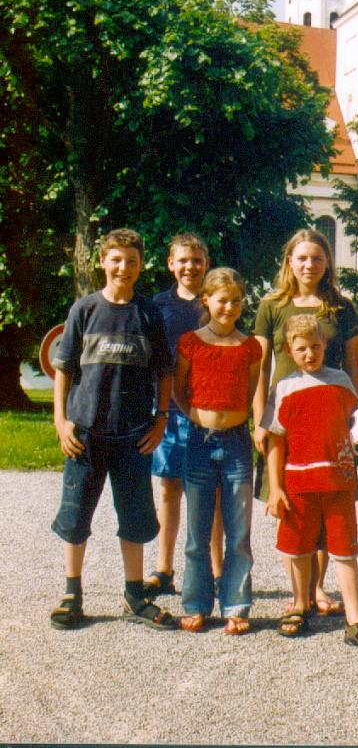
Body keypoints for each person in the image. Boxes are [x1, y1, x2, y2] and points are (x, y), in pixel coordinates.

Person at [50, 228, 178, 631]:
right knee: (75, 516)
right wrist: (61, 420)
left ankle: (134, 595)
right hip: (86, 434)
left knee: (136, 517)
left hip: (134, 435)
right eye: (116, 259)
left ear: (142, 266)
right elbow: (63, 370)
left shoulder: (148, 313)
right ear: (102, 262)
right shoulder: (84, 310)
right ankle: (72, 594)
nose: (124, 267)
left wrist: (160, 420)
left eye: (132, 261)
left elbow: (164, 372)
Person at [253, 227, 358, 616]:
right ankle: (298, 593)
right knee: (293, 506)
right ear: (289, 262)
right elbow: (260, 367)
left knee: (327, 495)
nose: (309, 265)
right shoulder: (271, 306)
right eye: (301, 258)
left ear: (327, 262)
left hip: (328, 422)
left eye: (316, 257)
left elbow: (352, 368)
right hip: (285, 418)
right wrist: (259, 420)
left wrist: (357, 422)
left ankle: (317, 588)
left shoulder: (341, 308)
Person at [264, 315, 358, 653]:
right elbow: (275, 440)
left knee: (345, 552)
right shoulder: (285, 388)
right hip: (298, 484)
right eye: (301, 348)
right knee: (299, 549)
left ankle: (355, 619)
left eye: (315, 346)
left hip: (338, 483)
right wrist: (275, 489)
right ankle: (300, 604)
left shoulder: (341, 382)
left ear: (325, 345)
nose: (309, 354)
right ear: (290, 350)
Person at [173, 267, 261, 634]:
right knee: (198, 532)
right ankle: (196, 603)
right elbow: (178, 389)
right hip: (199, 441)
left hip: (238, 442)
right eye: (222, 300)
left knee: (238, 533)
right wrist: (195, 415)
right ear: (206, 300)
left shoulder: (250, 346)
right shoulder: (190, 342)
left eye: (236, 301)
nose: (229, 307)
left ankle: (236, 604)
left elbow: (254, 389)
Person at [146, 233, 224, 599]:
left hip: (211, 410)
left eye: (197, 260)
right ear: (170, 264)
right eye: (183, 260)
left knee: (212, 492)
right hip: (172, 411)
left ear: (206, 263)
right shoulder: (157, 306)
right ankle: (163, 569)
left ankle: (217, 570)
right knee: (169, 487)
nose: (190, 267)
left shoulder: (216, 304)